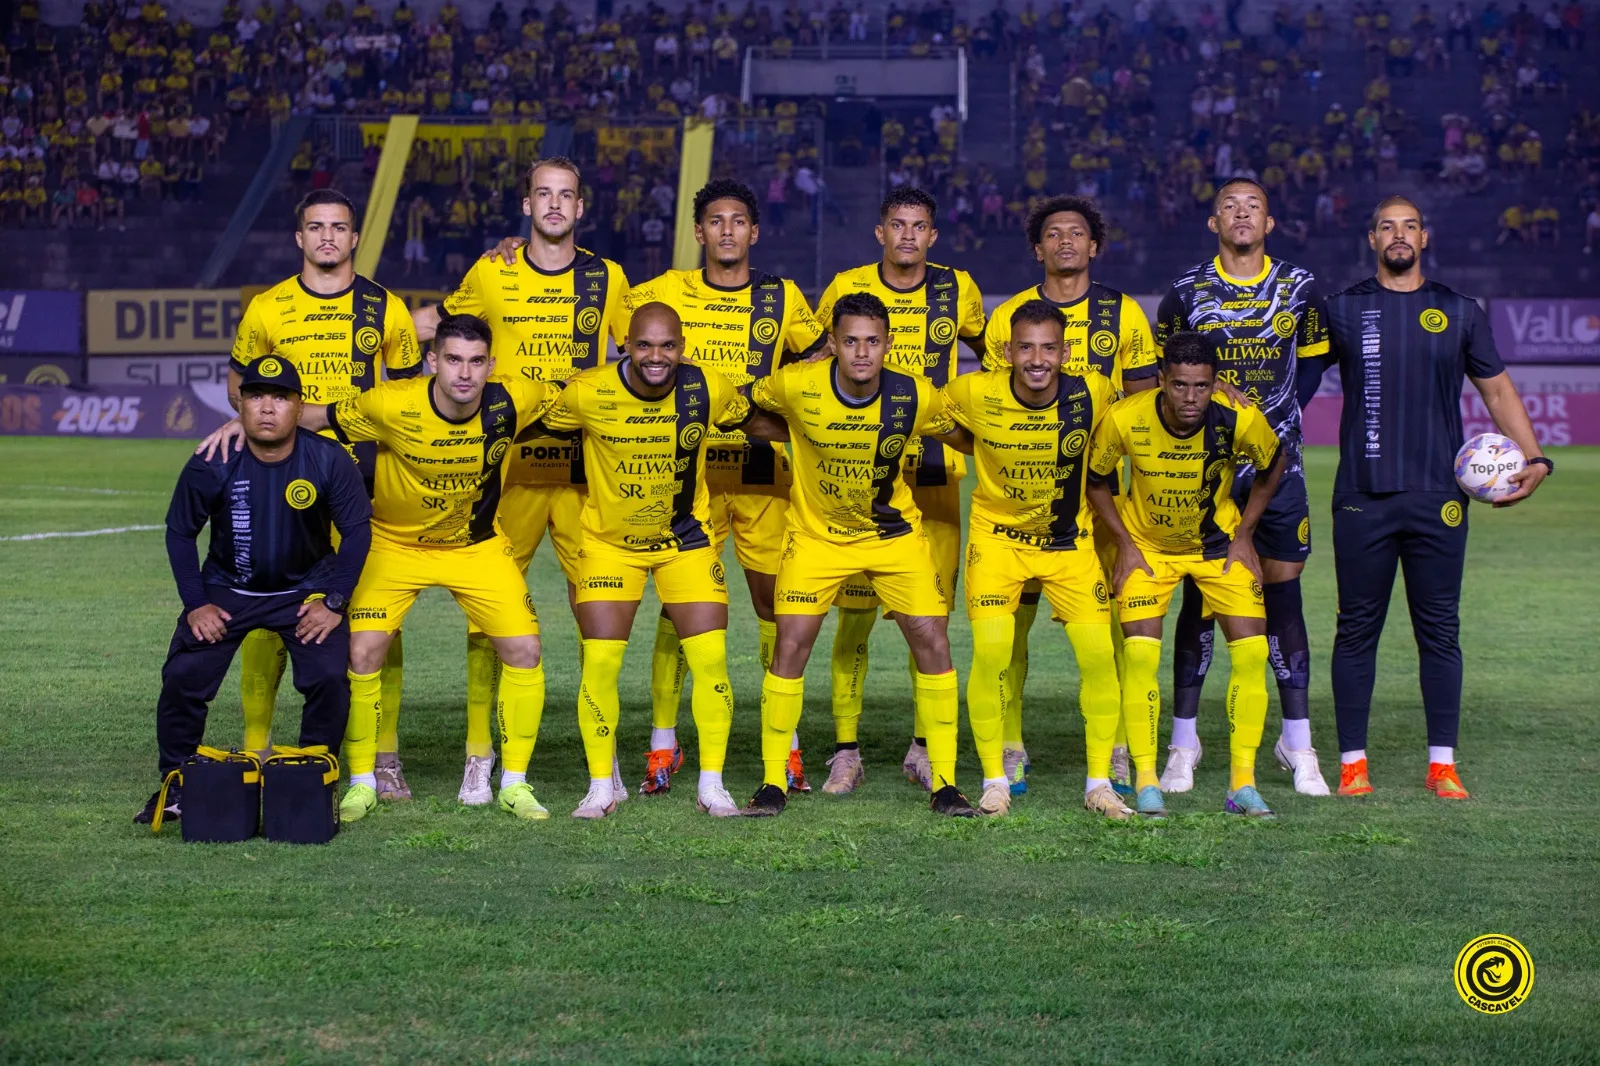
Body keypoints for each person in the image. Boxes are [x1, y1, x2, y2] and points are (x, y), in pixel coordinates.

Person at [201, 315, 561, 823]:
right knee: (363, 649)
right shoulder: (390, 403)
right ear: (432, 361)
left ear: (491, 367)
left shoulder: (512, 400)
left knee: (525, 648)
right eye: (453, 359)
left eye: (476, 362)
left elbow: (579, 393)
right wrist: (242, 420)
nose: (465, 373)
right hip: (395, 546)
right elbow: (316, 415)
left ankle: (516, 785)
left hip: (475, 547)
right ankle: (363, 781)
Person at [1311, 196, 1549, 799]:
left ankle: (1442, 764)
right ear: (1372, 239)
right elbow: (1298, 384)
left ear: (1425, 237)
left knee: (1440, 631)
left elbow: (1496, 391)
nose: (1399, 234)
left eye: (1409, 226)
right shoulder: (1342, 310)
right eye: (1387, 226)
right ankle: (1352, 762)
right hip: (1362, 497)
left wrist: (1536, 458)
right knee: (1355, 632)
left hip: (1440, 500)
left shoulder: (1459, 311)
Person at [415, 157, 630, 806]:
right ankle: (479, 757)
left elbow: (651, 351)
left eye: (567, 195)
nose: (556, 205)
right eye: (544, 195)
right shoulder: (493, 269)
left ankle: (606, 757)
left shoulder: (609, 278)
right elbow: (439, 326)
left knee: (600, 617)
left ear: (582, 208)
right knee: (488, 622)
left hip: (586, 475)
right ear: (527, 206)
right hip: (504, 472)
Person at [618, 178, 827, 796]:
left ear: (753, 232)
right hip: (685, 478)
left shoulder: (782, 296)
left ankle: (783, 745)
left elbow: (817, 365)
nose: (728, 230)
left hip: (762, 475)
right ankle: (663, 744)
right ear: (699, 231)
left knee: (773, 606)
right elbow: (597, 305)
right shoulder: (662, 292)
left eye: (739, 220)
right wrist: (511, 249)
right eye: (716, 220)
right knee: (679, 611)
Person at [536, 303, 778, 819]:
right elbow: (539, 422)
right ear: (625, 343)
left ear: (682, 348)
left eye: (668, 345)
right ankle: (602, 787)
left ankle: (712, 786)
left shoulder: (707, 387)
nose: (656, 356)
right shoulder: (588, 391)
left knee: (711, 659)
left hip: (685, 542)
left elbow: (756, 419)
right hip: (608, 545)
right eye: (644, 344)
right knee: (600, 663)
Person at [741, 293, 977, 819]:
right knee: (791, 645)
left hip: (892, 537)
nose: (862, 352)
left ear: (888, 345)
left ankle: (945, 783)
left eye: (872, 341)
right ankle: (771, 783)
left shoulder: (914, 394)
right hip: (817, 537)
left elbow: (962, 436)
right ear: (833, 345)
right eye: (850, 341)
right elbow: (741, 408)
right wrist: (795, 433)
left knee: (932, 639)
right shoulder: (797, 384)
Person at [227, 189, 421, 799]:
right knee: (264, 617)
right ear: (300, 239)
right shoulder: (268, 307)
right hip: (282, 483)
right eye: (317, 228)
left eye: (339, 227)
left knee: (376, 622)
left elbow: (408, 393)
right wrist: (265, 419)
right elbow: (239, 379)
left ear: (355, 238)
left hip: (364, 483)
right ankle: (257, 748)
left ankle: (382, 756)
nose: (329, 238)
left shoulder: (385, 307)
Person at [1154, 177, 1333, 798]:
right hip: (1203, 472)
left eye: (1252, 206)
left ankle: (1297, 739)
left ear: (1270, 221)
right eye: (1229, 206)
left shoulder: (1301, 287)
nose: (1241, 215)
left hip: (1279, 469)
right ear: (1213, 222)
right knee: (1200, 598)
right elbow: (1168, 375)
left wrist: (1274, 423)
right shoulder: (1185, 293)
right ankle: (1184, 741)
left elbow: (1311, 362)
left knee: (1283, 597)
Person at [138, 359, 371, 825]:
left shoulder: (327, 459)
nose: (268, 408)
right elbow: (180, 532)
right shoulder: (212, 460)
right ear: (240, 404)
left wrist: (333, 603)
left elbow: (358, 531)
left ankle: (314, 776)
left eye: (280, 397)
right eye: (257, 396)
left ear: (298, 406)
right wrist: (196, 604)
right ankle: (176, 782)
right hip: (228, 589)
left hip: (305, 591)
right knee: (184, 676)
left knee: (328, 677)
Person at [811, 186, 986, 797]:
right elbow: (812, 361)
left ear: (932, 236)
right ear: (878, 232)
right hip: (858, 480)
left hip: (932, 476)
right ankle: (846, 750)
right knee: (853, 621)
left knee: (928, 622)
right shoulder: (845, 287)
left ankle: (921, 748)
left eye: (919, 226)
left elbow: (994, 360)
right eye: (896, 225)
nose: (907, 236)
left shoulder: (958, 289)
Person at [982, 194, 1159, 796]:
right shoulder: (1009, 316)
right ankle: (1010, 746)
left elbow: (1144, 408)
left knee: (1105, 628)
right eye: (1053, 234)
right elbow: (991, 404)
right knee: (1012, 630)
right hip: (1021, 505)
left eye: (1076, 233)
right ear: (1038, 248)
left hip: (1096, 503)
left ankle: (1110, 749)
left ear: (1093, 246)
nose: (1064, 242)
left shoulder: (1126, 315)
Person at [1086, 330, 1286, 820]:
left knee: (1253, 651)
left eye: (1200, 386)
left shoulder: (1237, 417)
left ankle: (1243, 783)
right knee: (1138, 658)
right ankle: (1147, 780)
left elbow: (1273, 463)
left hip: (1218, 546)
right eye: (1179, 385)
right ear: (1161, 380)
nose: (1190, 397)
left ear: (1215, 383)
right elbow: (1095, 481)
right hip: (1148, 550)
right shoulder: (1126, 418)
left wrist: (1245, 536)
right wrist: (1126, 547)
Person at [942, 300, 1124, 819]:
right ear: (1006, 352)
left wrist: (1223, 391)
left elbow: (1147, 403)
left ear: (1066, 352)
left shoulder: (1092, 390)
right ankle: (994, 780)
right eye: (1026, 347)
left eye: (1048, 347)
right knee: (994, 653)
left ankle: (1098, 785)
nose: (1038, 359)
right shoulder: (975, 391)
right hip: (998, 543)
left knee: (1096, 657)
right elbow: (922, 408)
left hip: (1069, 545)